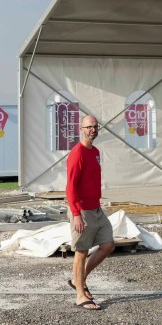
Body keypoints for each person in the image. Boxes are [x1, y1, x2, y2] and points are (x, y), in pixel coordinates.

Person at [65, 114, 115, 310]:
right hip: (82, 210)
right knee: (82, 251)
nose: (93, 130)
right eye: (89, 127)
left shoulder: (95, 151)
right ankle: (80, 295)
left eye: (95, 126)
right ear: (81, 129)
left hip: (96, 208)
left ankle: (79, 279)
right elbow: (70, 186)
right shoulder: (77, 153)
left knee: (108, 245)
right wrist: (76, 213)